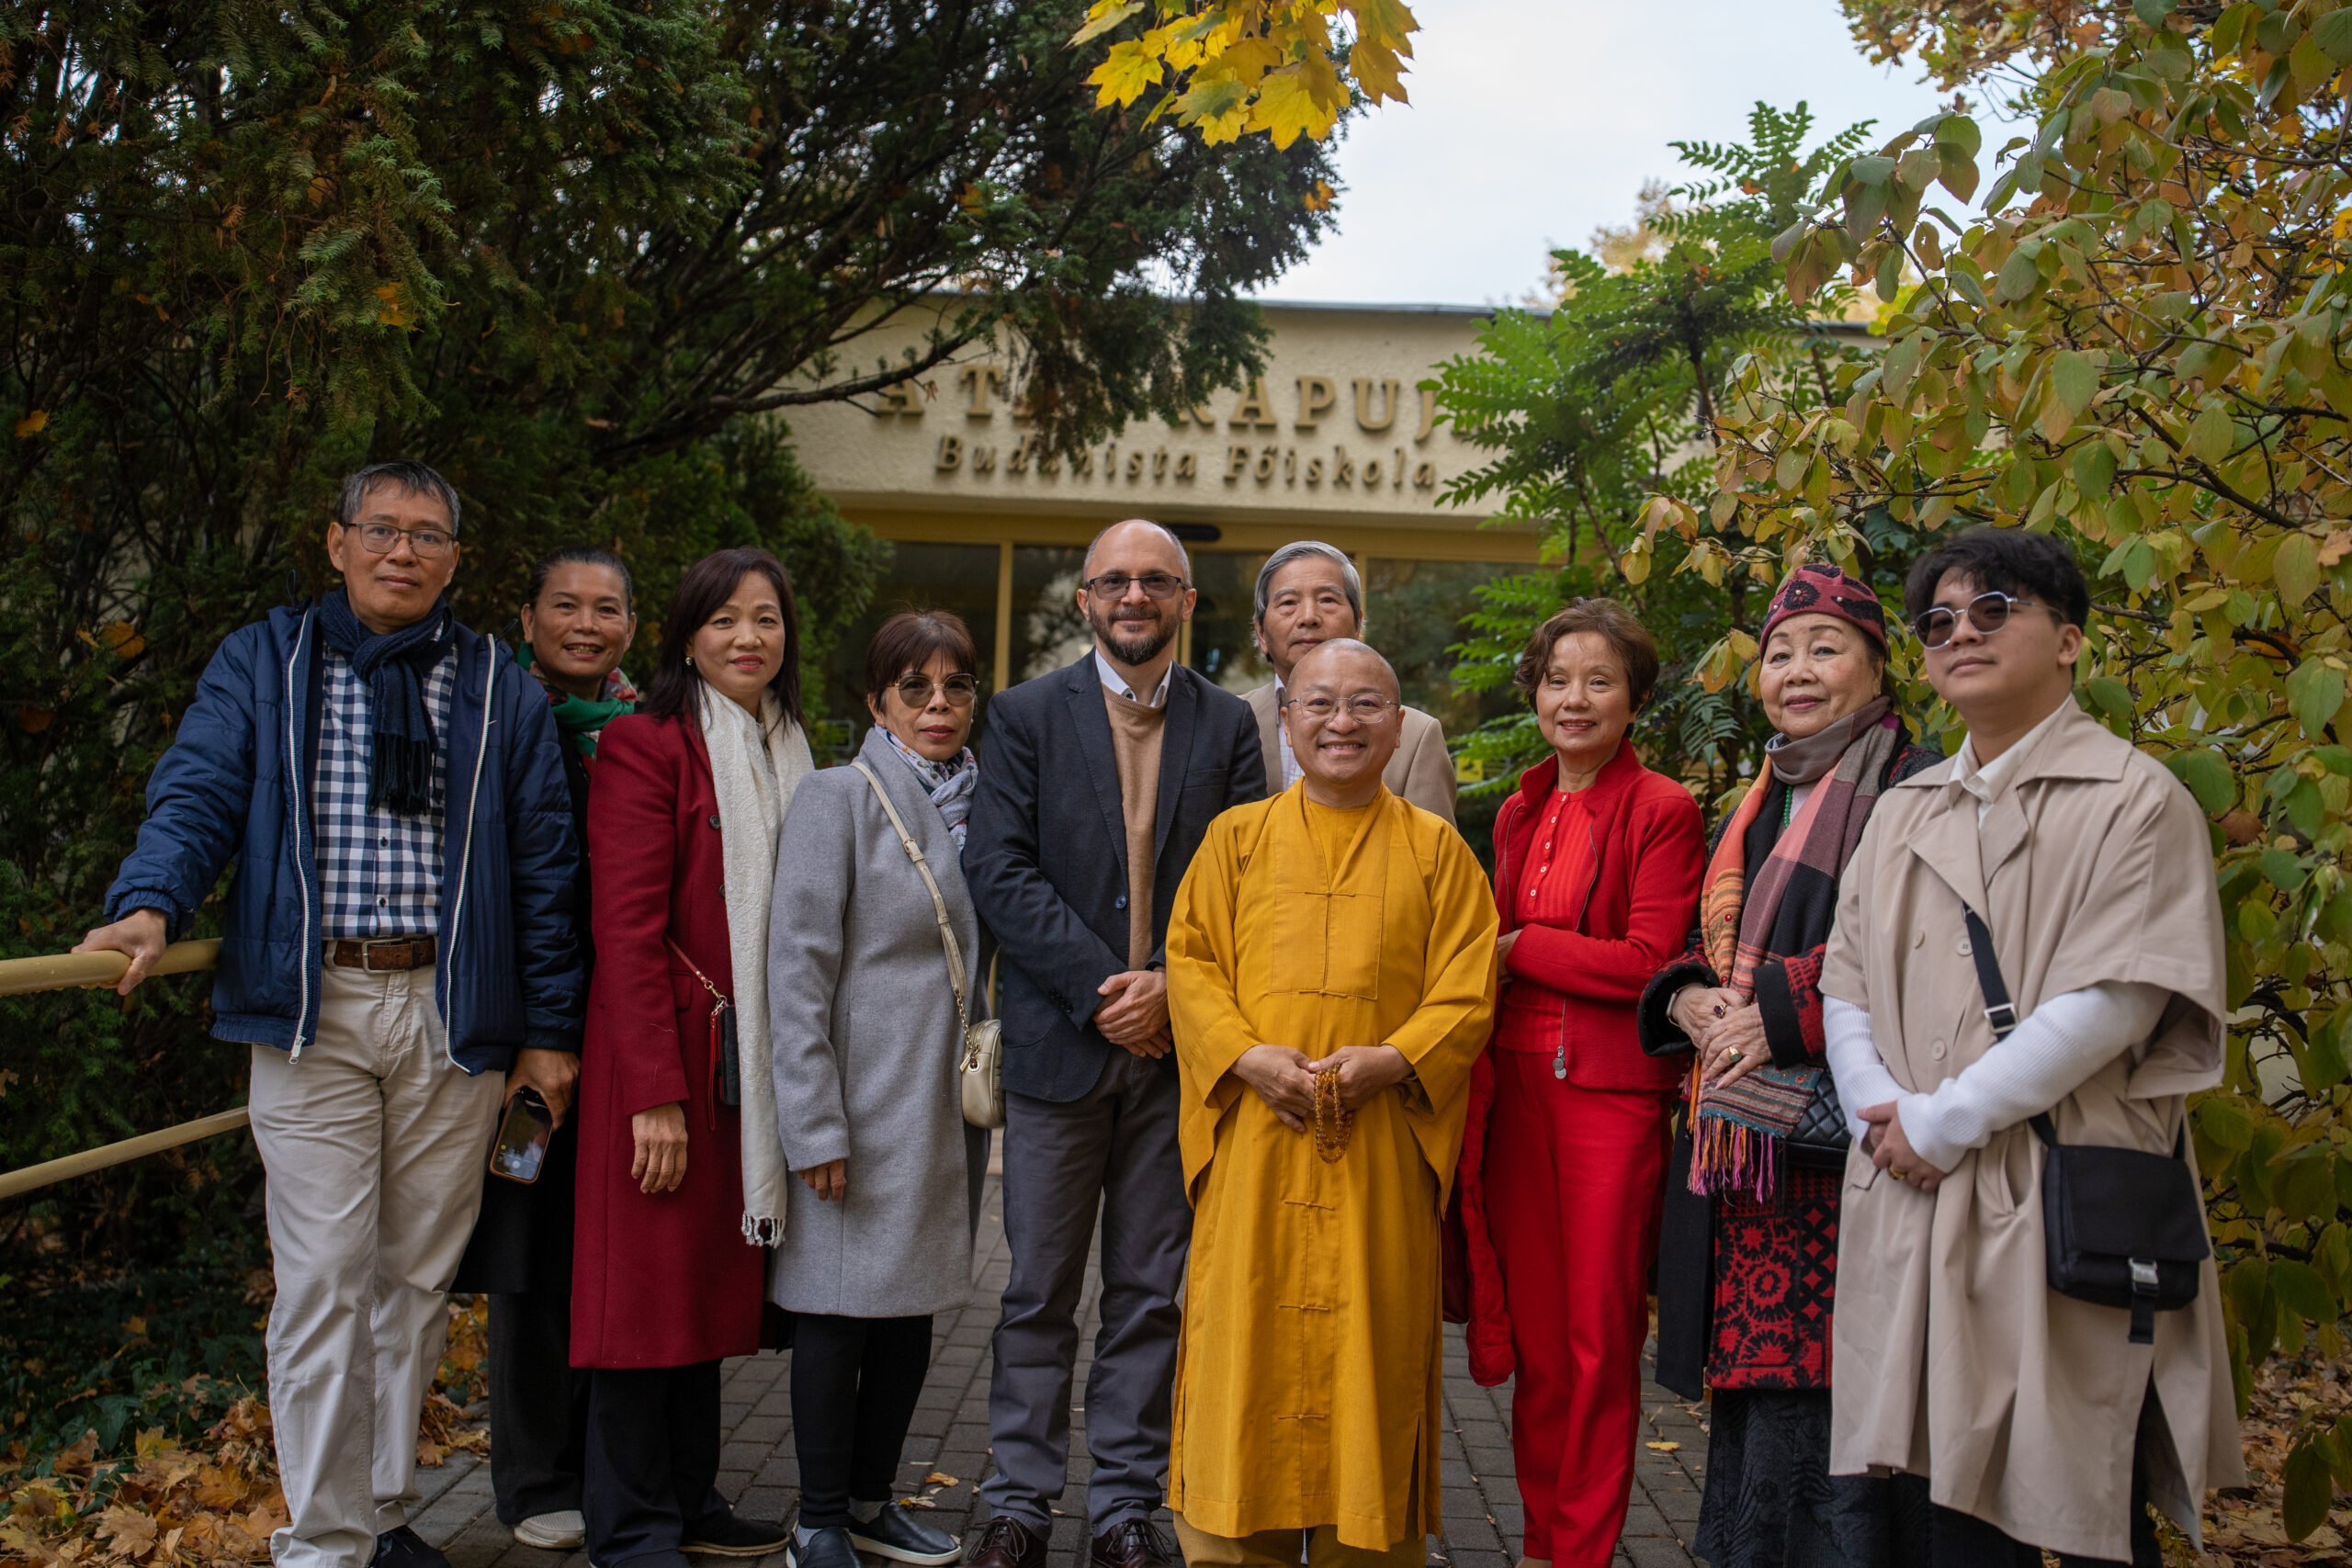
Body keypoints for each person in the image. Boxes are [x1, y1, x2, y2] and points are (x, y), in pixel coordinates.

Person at [74, 460, 584, 1568]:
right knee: (322, 1281)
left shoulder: (496, 684)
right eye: (382, 529)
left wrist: (550, 1034)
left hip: (456, 1014)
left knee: (414, 1279)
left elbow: (546, 870)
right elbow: (201, 788)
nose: (403, 551)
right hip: (314, 1008)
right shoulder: (269, 660)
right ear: (337, 542)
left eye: (428, 535)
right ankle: (323, 1543)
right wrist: (151, 901)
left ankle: (383, 1511)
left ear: (456, 559)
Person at [1822, 527, 2243, 1565]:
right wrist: (1884, 1114)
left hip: (2058, 1187)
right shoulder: (1903, 809)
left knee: (2078, 1490)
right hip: (1912, 1187)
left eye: (1993, 610)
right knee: (1940, 1501)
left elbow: (2116, 999)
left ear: (2068, 640)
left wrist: (1939, 1121)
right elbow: (1845, 983)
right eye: (1939, 622)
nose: (1961, 633)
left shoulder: (2136, 799)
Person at [963, 518, 1266, 1568]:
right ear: (1086, 599)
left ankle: (1125, 1506)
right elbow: (998, 869)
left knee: (1147, 1296)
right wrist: (1104, 994)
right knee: (1036, 1295)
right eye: (1115, 581)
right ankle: (1018, 1503)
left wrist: (1173, 988)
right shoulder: (1024, 715)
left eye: (1156, 581)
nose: (1134, 596)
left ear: (1186, 601)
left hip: (1176, 1059)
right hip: (1063, 1049)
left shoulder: (1227, 724)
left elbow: (1247, 879)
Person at [1631, 564, 1941, 1568]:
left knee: (1853, 1408)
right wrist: (1686, 996)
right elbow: (1707, 944)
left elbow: (1918, 944)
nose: (1796, 671)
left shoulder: (1917, 785)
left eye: (1824, 648)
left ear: (1877, 666)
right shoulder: (1764, 797)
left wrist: (1777, 1010)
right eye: (1778, 653)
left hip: (1855, 1161)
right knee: (1764, 1405)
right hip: (1753, 1168)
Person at [1163, 638, 1498, 1568]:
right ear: (1285, 720)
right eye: (1318, 704)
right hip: (1256, 1148)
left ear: (1399, 724)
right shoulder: (1234, 840)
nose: (1341, 722)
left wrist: (1394, 1060)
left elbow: (1468, 988)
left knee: (1373, 1360)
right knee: (1244, 1359)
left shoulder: (1438, 852)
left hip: (1380, 1149)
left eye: (1365, 704)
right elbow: (1189, 963)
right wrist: (1245, 1057)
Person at [1448, 598, 1705, 1568]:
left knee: (1599, 1340)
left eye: (1600, 681)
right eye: (1558, 679)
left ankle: (1583, 1554)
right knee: (1541, 1344)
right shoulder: (1521, 808)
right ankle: (1539, 1543)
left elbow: (1648, 960)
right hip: (1513, 1093)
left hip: (1608, 1099)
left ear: (1634, 698)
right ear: (1535, 691)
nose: (1575, 698)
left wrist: (1520, 947)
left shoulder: (1662, 808)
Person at [569, 547, 812, 1568]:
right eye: (723, 620)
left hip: (747, 1068)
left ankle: (690, 1498)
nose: (747, 638)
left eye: (765, 618)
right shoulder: (647, 743)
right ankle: (631, 1526)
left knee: (702, 1292)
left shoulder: (790, 748)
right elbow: (624, 933)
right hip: (667, 1062)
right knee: (643, 1300)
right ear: (685, 637)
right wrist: (653, 1096)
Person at [764, 611, 993, 1568]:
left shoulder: (988, 803)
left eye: (956, 686)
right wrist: (813, 1125)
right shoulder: (839, 798)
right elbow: (796, 971)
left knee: (909, 1310)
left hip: (941, 1105)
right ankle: (817, 1521)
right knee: (834, 1311)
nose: (938, 704)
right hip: (858, 1106)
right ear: (877, 702)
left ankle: (868, 1504)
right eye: (915, 688)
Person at [452, 547, 639, 1553]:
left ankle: (608, 1464)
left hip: (621, 1032)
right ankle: (532, 1480)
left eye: (606, 608)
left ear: (631, 627)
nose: (586, 624)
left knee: (609, 1242)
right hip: (519, 1038)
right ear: (526, 620)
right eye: (565, 605)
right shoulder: (490, 721)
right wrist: (536, 1030)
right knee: (526, 1246)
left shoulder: (645, 730)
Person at [1240, 541, 1457, 823]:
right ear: (1261, 633)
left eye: (1327, 600)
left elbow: (1434, 847)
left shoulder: (1417, 735)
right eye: (1289, 603)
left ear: (1358, 625)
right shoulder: (1227, 722)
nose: (1308, 617)